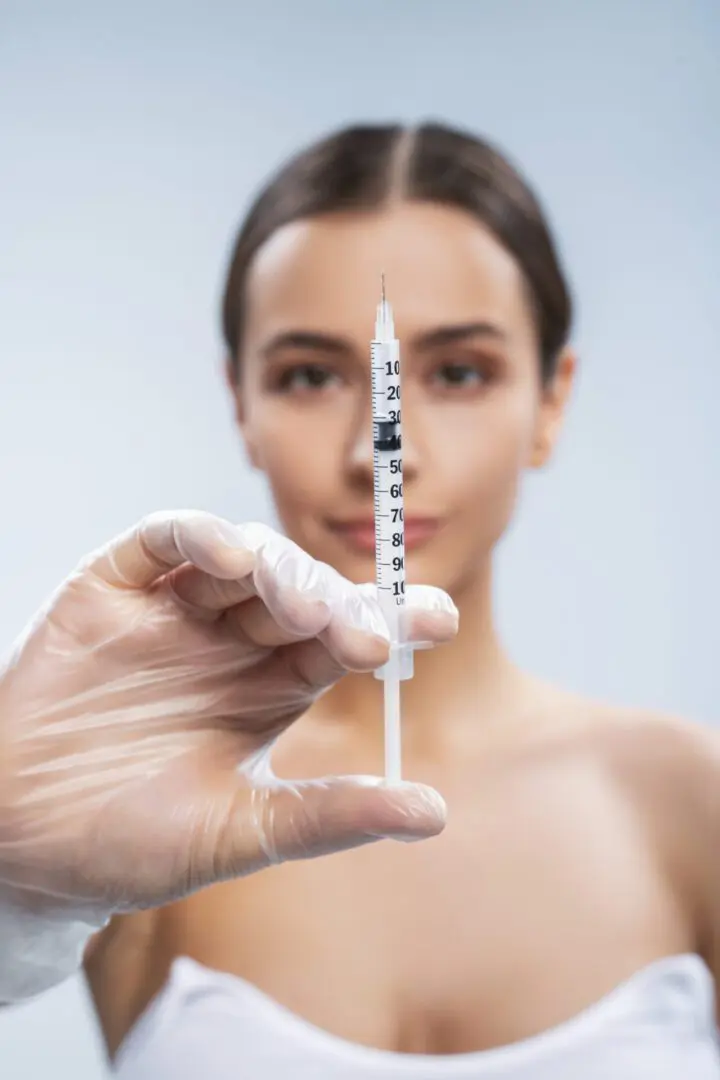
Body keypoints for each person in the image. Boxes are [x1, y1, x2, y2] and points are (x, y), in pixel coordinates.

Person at [8, 120, 720, 1077]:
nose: (380, 449)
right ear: (241, 406)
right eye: (308, 376)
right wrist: (7, 868)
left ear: (553, 399)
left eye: (461, 372)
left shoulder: (691, 804)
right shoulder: (150, 789)